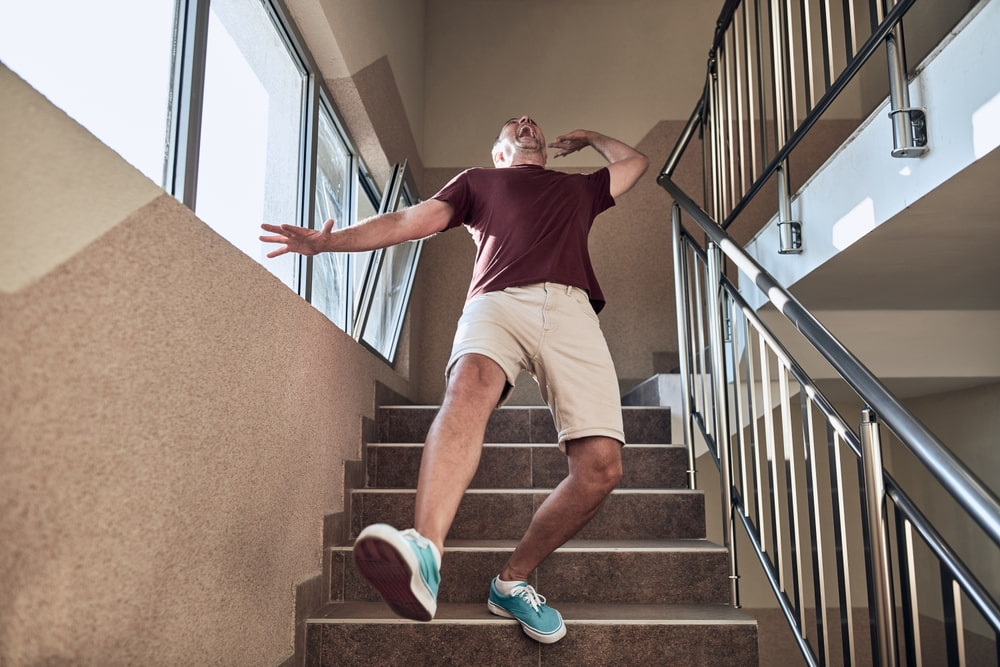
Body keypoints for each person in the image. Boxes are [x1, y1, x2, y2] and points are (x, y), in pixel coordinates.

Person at [260, 116, 648, 644]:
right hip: (496, 302)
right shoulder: (478, 182)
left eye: (533, 121)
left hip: (573, 312)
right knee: (467, 391)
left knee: (601, 467)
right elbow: (403, 221)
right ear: (499, 153)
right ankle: (425, 552)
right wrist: (330, 244)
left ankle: (511, 584)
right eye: (514, 125)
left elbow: (634, 164)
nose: (527, 123)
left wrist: (590, 137)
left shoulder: (578, 187)